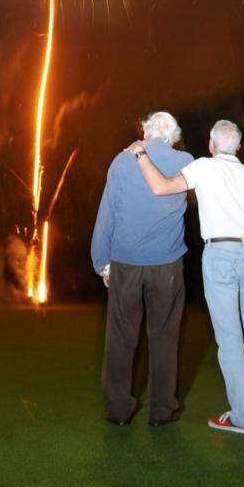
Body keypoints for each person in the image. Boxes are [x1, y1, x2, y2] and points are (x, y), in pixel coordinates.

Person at [126, 118, 244, 435]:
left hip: (220, 255)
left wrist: (141, 154)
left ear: (211, 145)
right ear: (238, 146)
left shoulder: (203, 168)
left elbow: (160, 187)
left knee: (230, 340)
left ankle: (243, 417)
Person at [91, 111, 193, 426]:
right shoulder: (186, 160)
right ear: (173, 135)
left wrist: (102, 262)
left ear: (146, 132)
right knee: (164, 336)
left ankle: (119, 409)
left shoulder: (122, 161)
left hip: (126, 262)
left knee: (120, 337)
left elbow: (106, 211)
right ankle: (162, 411)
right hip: (167, 265)